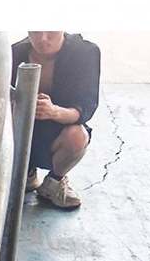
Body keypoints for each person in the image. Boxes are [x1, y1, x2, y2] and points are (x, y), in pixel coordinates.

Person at [11, 32, 100, 209]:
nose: (43, 39)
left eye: (50, 31)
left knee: (77, 136)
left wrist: (54, 112)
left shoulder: (85, 53)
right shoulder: (15, 52)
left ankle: (54, 182)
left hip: (58, 130)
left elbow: (86, 107)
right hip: (19, 130)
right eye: (36, 32)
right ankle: (25, 172)